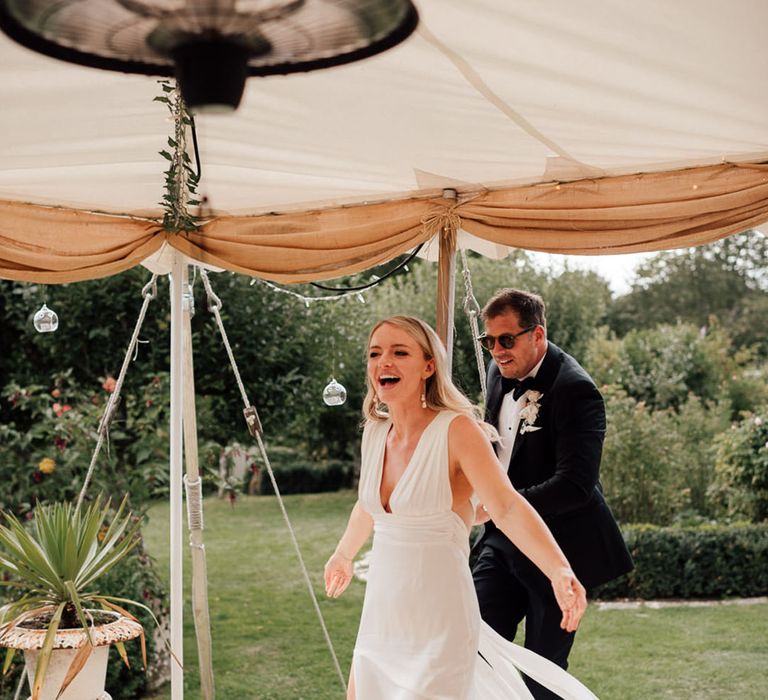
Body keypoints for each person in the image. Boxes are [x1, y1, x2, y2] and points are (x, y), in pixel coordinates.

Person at [324, 315, 599, 700]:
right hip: (381, 615)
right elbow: (367, 507)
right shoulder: (374, 431)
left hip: (440, 616)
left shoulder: (457, 430)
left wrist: (559, 570)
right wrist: (342, 555)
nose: (384, 362)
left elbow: (506, 507)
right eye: (375, 353)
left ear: (428, 366)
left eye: (399, 352)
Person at [472, 289, 634, 700]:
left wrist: (501, 507)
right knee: (472, 645)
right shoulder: (498, 374)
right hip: (501, 543)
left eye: (506, 340)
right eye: (488, 341)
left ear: (537, 334)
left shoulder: (576, 390)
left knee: (543, 673)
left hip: (561, 548)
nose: (496, 351)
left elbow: (575, 486)